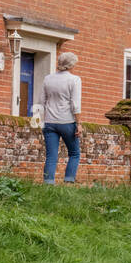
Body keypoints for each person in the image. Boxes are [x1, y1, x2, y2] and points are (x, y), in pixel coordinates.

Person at [39, 51, 82, 184]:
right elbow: (75, 104)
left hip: (50, 122)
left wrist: (40, 121)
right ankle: (68, 182)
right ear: (71, 65)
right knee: (74, 153)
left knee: (51, 155)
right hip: (67, 121)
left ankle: (48, 183)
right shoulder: (74, 79)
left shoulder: (48, 79)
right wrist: (78, 123)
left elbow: (41, 101)